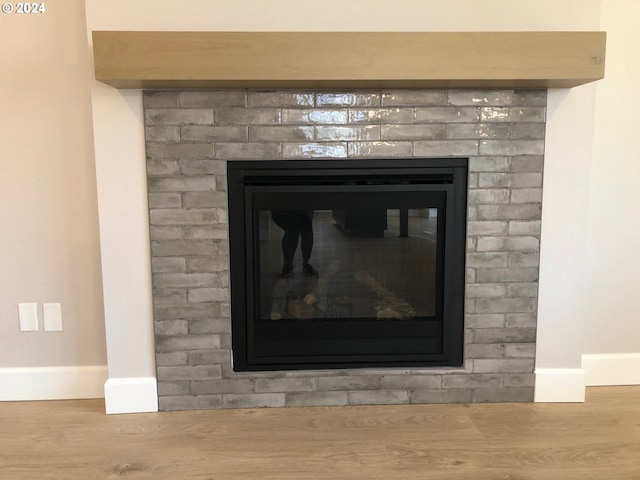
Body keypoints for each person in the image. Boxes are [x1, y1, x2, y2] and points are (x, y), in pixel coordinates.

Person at [271, 210, 319, 277]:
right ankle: (288, 264)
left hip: (298, 210)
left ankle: (304, 263)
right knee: (293, 229)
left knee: (306, 229)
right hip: (284, 211)